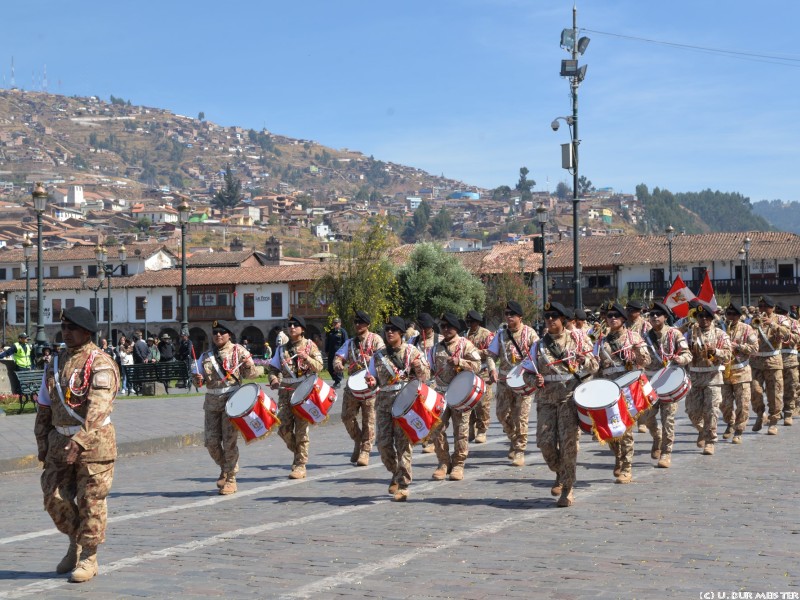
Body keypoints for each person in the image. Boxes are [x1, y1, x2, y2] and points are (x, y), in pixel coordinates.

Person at [34, 306, 119, 583]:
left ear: (86, 331)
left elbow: (99, 405)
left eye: (72, 328)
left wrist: (80, 440)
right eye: (64, 327)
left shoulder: (100, 362)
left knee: (90, 500)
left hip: (94, 443)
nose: (66, 333)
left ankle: (88, 557)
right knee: (53, 497)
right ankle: (75, 541)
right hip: (59, 440)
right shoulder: (56, 362)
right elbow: (44, 406)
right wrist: (42, 442)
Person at [529, 302, 598, 507]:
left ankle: (567, 488)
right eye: (547, 316)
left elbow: (594, 365)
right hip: (546, 400)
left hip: (569, 399)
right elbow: (525, 373)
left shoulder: (578, 340)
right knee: (545, 443)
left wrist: (583, 359)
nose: (550, 319)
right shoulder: (538, 345)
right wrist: (534, 380)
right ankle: (560, 471)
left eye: (555, 316)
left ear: (563, 320)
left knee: (569, 446)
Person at [364, 316, 429, 501]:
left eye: (394, 329)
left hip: (406, 403)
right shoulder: (378, 355)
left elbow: (425, 376)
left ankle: (403, 484)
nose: (389, 332)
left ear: (401, 332)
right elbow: (373, 379)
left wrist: (418, 366)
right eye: (387, 329)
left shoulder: (411, 351)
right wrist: (371, 381)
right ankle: (395, 472)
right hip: (384, 403)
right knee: (383, 445)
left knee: (403, 445)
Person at [193, 320, 257, 495]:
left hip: (232, 401)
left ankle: (231, 479)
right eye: (215, 333)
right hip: (212, 402)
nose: (218, 335)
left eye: (222, 332)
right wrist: (197, 379)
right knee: (211, 442)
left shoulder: (239, 351)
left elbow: (253, 374)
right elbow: (197, 378)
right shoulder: (206, 356)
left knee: (229, 442)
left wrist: (248, 365)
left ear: (229, 334)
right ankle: (225, 468)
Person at [596, 301, 651, 483]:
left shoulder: (633, 338)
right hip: (608, 389)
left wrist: (637, 352)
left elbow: (646, 361)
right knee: (611, 430)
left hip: (628, 389)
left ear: (623, 318)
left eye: (616, 316)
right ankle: (618, 457)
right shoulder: (602, 341)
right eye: (609, 316)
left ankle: (627, 467)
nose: (612, 319)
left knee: (626, 429)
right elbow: (596, 368)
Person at [268, 315, 324, 480]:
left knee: (301, 430)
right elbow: (272, 369)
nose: (292, 327)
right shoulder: (281, 349)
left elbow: (320, 367)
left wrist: (307, 358)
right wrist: (274, 379)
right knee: (283, 429)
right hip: (285, 392)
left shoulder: (310, 346)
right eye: (290, 325)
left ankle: (300, 464)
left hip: (304, 393)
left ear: (303, 329)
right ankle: (299, 453)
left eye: (296, 325)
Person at [429, 312, 482, 481]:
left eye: (448, 327)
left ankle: (458, 464)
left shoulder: (465, 345)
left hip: (461, 393)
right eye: (442, 327)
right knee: (437, 429)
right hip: (441, 394)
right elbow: (429, 370)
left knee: (461, 431)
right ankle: (443, 463)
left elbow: (478, 366)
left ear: (456, 328)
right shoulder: (435, 348)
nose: (445, 330)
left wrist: (461, 362)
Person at [487, 300, 540, 467]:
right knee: (502, 414)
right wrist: (492, 370)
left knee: (522, 417)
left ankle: (519, 450)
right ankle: (513, 438)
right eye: (506, 314)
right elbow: (490, 355)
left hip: (524, 381)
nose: (508, 317)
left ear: (520, 317)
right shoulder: (501, 334)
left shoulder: (530, 334)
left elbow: (539, 355)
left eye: (512, 314)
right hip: (504, 382)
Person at [641, 301, 692, 468]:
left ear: (665, 317)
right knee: (648, 419)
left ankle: (666, 453)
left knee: (668, 419)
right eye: (651, 314)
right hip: (650, 383)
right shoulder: (645, 337)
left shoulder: (674, 334)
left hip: (670, 381)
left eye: (658, 314)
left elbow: (687, 354)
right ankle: (657, 437)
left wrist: (680, 359)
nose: (654, 316)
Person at [333, 310, 385, 466]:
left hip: (370, 384)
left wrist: (373, 358)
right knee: (346, 416)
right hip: (353, 385)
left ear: (367, 324)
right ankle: (358, 439)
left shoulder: (376, 339)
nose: (357, 325)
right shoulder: (350, 342)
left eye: (360, 323)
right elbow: (339, 356)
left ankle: (365, 451)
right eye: (355, 322)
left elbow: (385, 357)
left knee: (369, 419)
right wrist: (338, 363)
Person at [685, 303, 732, 455]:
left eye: (707, 316)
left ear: (711, 318)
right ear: (696, 318)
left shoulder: (720, 334)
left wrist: (716, 351)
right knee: (692, 411)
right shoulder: (689, 334)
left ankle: (710, 441)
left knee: (711, 410)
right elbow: (681, 350)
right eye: (700, 316)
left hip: (713, 377)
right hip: (695, 377)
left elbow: (729, 355)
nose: (704, 319)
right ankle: (702, 430)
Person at [750, 296, 789, 435]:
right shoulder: (754, 320)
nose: (762, 310)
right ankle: (761, 415)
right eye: (760, 307)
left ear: (772, 308)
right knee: (754, 391)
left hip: (773, 362)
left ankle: (773, 422)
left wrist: (772, 324)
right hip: (756, 362)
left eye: (765, 307)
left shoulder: (780, 319)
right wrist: (753, 323)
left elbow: (786, 334)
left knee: (775, 394)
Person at [720, 301, 758, 445]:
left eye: (734, 314)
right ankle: (730, 423)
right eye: (728, 314)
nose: (731, 317)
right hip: (725, 372)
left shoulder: (747, 329)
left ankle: (739, 430)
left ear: (739, 316)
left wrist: (739, 346)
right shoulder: (721, 329)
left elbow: (755, 348)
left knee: (743, 403)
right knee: (725, 404)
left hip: (742, 371)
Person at [409, 313, 438, 453]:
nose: (422, 331)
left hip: (435, 382)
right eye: (420, 327)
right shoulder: (413, 341)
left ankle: (431, 441)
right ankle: (422, 436)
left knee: (431, 412)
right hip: (418, 382)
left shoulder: (439, 339)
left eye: (425, 328)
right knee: (419, 411)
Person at [464, 309, 495, 444]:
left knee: (483, 403)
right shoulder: (465, 334)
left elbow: (490, 352)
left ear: (477, 322)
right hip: (468, 373)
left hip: (482, 372)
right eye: (468, 322)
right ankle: (470, 427)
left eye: (472, 322)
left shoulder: (486, 334)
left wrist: (475, 352)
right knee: (469, 402)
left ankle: (482, 430)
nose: (469, 324)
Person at [773, 302, 800, 425]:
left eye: (782, 313)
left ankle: (788, 412)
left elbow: (797, 338)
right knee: (774, 389)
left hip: (790, 359)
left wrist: (785, 338)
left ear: (787, 313)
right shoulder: (771, 322)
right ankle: (775, 413)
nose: (780, 316)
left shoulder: (794, 323)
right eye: (777, 313)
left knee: (791, 386)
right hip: (773, 360)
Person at [325, 317, 348, 389]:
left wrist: (344, 353)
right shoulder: (331, 332)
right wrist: (326, 350)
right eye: (334, 323)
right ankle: (336, 379)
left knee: (337, 367)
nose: (335, 324)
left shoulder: (342, 332)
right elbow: (327, 342)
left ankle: (337, 382)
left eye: (337, 323)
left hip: (339, 354)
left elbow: (346, 342)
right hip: (331, 353)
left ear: (340, 323)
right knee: (330, 368)